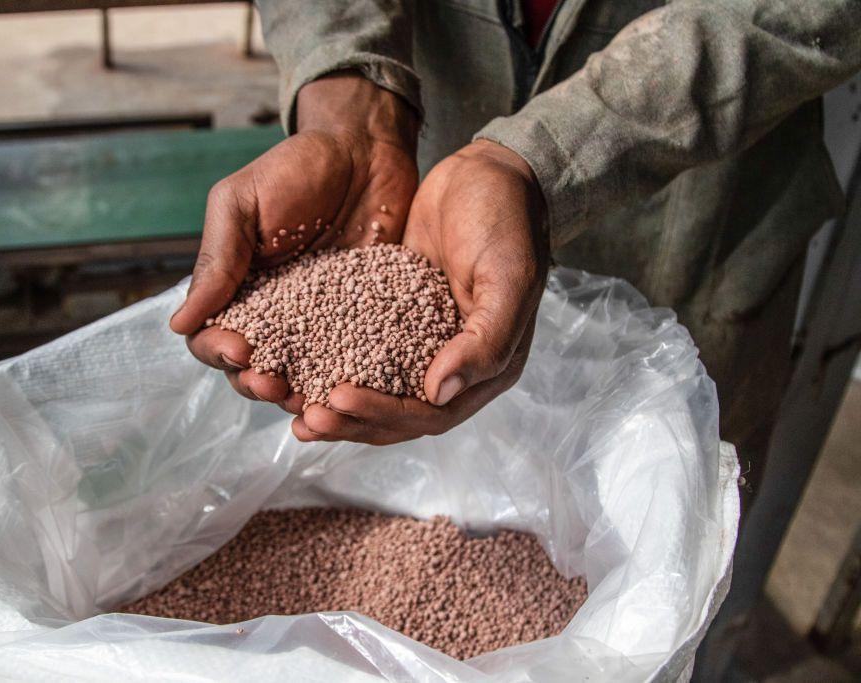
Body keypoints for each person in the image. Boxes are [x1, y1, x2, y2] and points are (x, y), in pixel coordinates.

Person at [170, 1, 861, 489]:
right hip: (421, 190)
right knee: (423, 501)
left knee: (654, 532)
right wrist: (350, 97)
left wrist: (539, 155)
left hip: (697, 230)